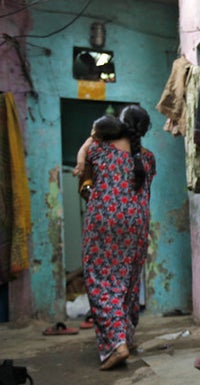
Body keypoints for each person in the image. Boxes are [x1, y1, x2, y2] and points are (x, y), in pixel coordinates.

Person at [80, 105, 155, 370]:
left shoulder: (99, 150)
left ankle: (116, 344)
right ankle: (127, 336)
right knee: (129, 280)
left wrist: (94, 134)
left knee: (101, 279)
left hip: (104, 220)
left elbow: (84, 159)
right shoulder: (148, 159)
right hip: (137, 223)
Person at [73, 114, 125, 200]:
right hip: (91, 175)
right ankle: (87, 186)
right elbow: (82, 150)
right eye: (93, 129)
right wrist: (80, 164)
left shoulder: (115, 145)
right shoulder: (91, 140)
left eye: (95, 130)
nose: (93, 133)